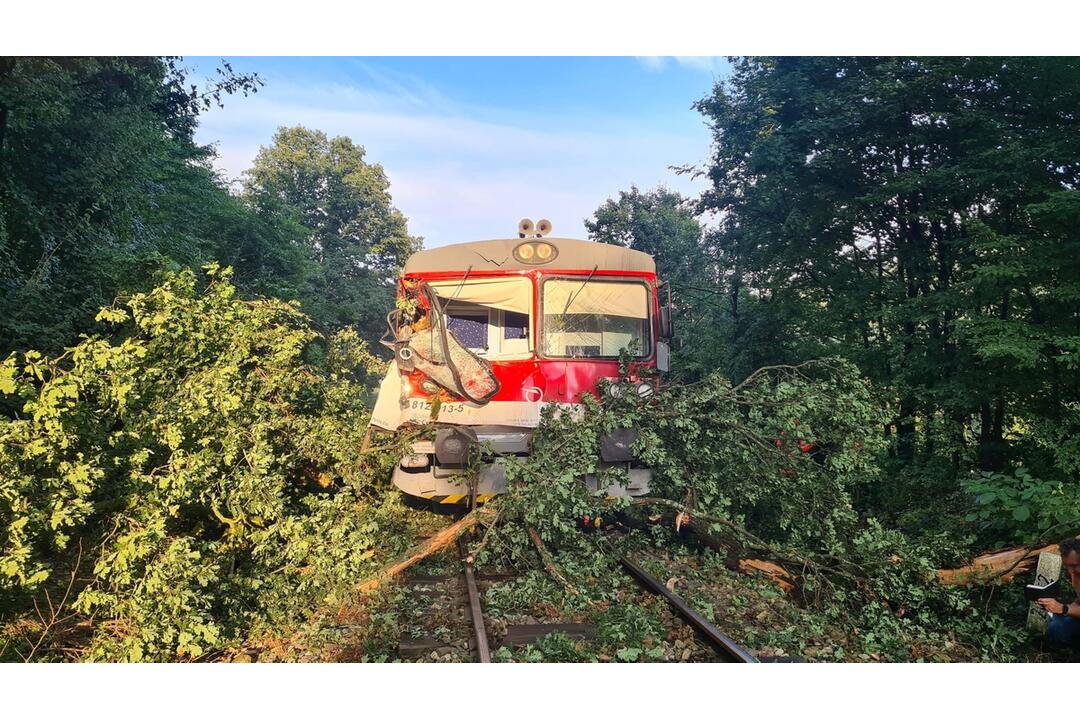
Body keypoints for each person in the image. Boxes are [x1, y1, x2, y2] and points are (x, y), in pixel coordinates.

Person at [1038, 538, 1080, 652]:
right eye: (1067, 566)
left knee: (1057, 626)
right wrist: (1057, 608)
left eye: (1074, 565)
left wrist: (1064, 609)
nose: (1070, 571)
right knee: (1054, 623)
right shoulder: (1075, 575)